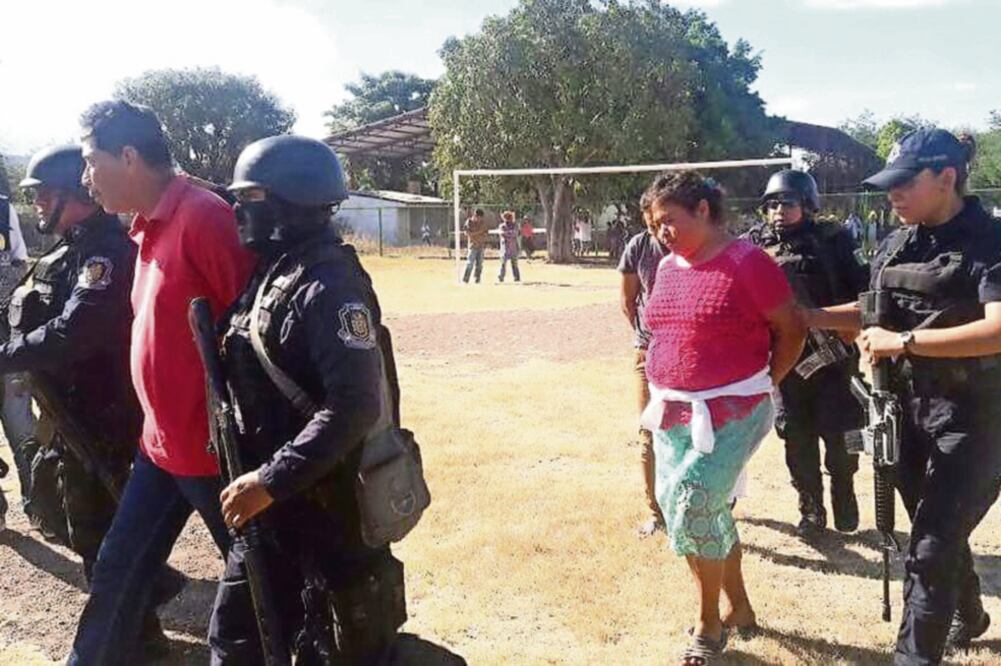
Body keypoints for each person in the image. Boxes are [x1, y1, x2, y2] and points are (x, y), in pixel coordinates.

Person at [69, 100, 256, 665]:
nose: (85, 178)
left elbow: (253, 330)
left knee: (269, 588)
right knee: (118, 570)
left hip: (211, 455)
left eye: (90, 161)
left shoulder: (203, 217)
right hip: (160, 448)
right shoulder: (145, 227)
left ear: (127, 156)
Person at [209, 135, 406, 663]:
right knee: (241, 638)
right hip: (279, 511)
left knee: (340, 646)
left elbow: (354, 405)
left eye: (247, 198)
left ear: (286, 200)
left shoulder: (328, 284)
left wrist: (270, 480)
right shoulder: (279, 269)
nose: (236, 210)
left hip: (323, 507)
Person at [807, 129, 1001, 664]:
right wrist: (808, 318)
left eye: (903, 184)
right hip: (906, 413)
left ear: (946, 178)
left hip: (976, 416)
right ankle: (971, 612)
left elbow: (999, 328)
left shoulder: (991, 241)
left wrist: (907, 342)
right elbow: (872, 315)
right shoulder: (897, 244)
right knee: (932, 529)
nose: (892, 195)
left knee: (930, 549)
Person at [641, 171, 805, 664]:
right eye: (653, 226)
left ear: (704, 211)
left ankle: (708, 624)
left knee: (693, 504)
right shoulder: (667, 266)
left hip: (733, 411)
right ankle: (741, 609)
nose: (661, 233)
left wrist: (763, 383)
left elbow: (791, 328)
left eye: (669, 220)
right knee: (689, 513)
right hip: (674, 411)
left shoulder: (749, 263)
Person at [754, 170, 869, 537]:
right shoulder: (754, 246)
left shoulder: (834, 241)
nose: (778, 211)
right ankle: (811, 509)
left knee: (842, 440)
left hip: (835, 360)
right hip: (787, 366)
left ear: (807, 204)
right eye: (771, 204)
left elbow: (866, 296)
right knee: (797, 440)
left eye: (787, 203)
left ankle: (843, 492)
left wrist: (844, 329)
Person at [618, 193, 667, 537]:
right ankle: (656, 512)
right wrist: (647, 338)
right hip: (649, 351)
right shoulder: (639, 246)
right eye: (651, 223)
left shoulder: (696, 244)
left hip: (694, 355)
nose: (659, 229)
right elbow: (627, 301)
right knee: (649, 431)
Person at [0, 190, 35, 532]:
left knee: (21, 425)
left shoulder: (2, 209)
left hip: (7, 338)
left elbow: (21, 265)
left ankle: (41, 506)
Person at [462, 209, 489, 283]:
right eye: (478, 217)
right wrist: (478, 233)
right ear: (475, 215)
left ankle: (477, 278)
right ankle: (465, 279)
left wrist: (481, 237)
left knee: (479, 264)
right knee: (470, 263)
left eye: (481, 218)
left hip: (481, 246)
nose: (479, 219)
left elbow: (486, 233)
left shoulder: (483, 223)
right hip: (473, 246)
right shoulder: (469, 222)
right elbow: (467, 233)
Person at [497, 210, 521, 282]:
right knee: (503, 263)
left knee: (514, 264)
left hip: (514, 247)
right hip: (505, 248)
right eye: (506, 217)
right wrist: (509, 234)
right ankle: (501, 277)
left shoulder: (515, 225)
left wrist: (508, 234)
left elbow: (515, 233)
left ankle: (517, 277)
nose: (508, 219)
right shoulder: (502, 226)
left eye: (509, 217)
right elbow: (502, 233)